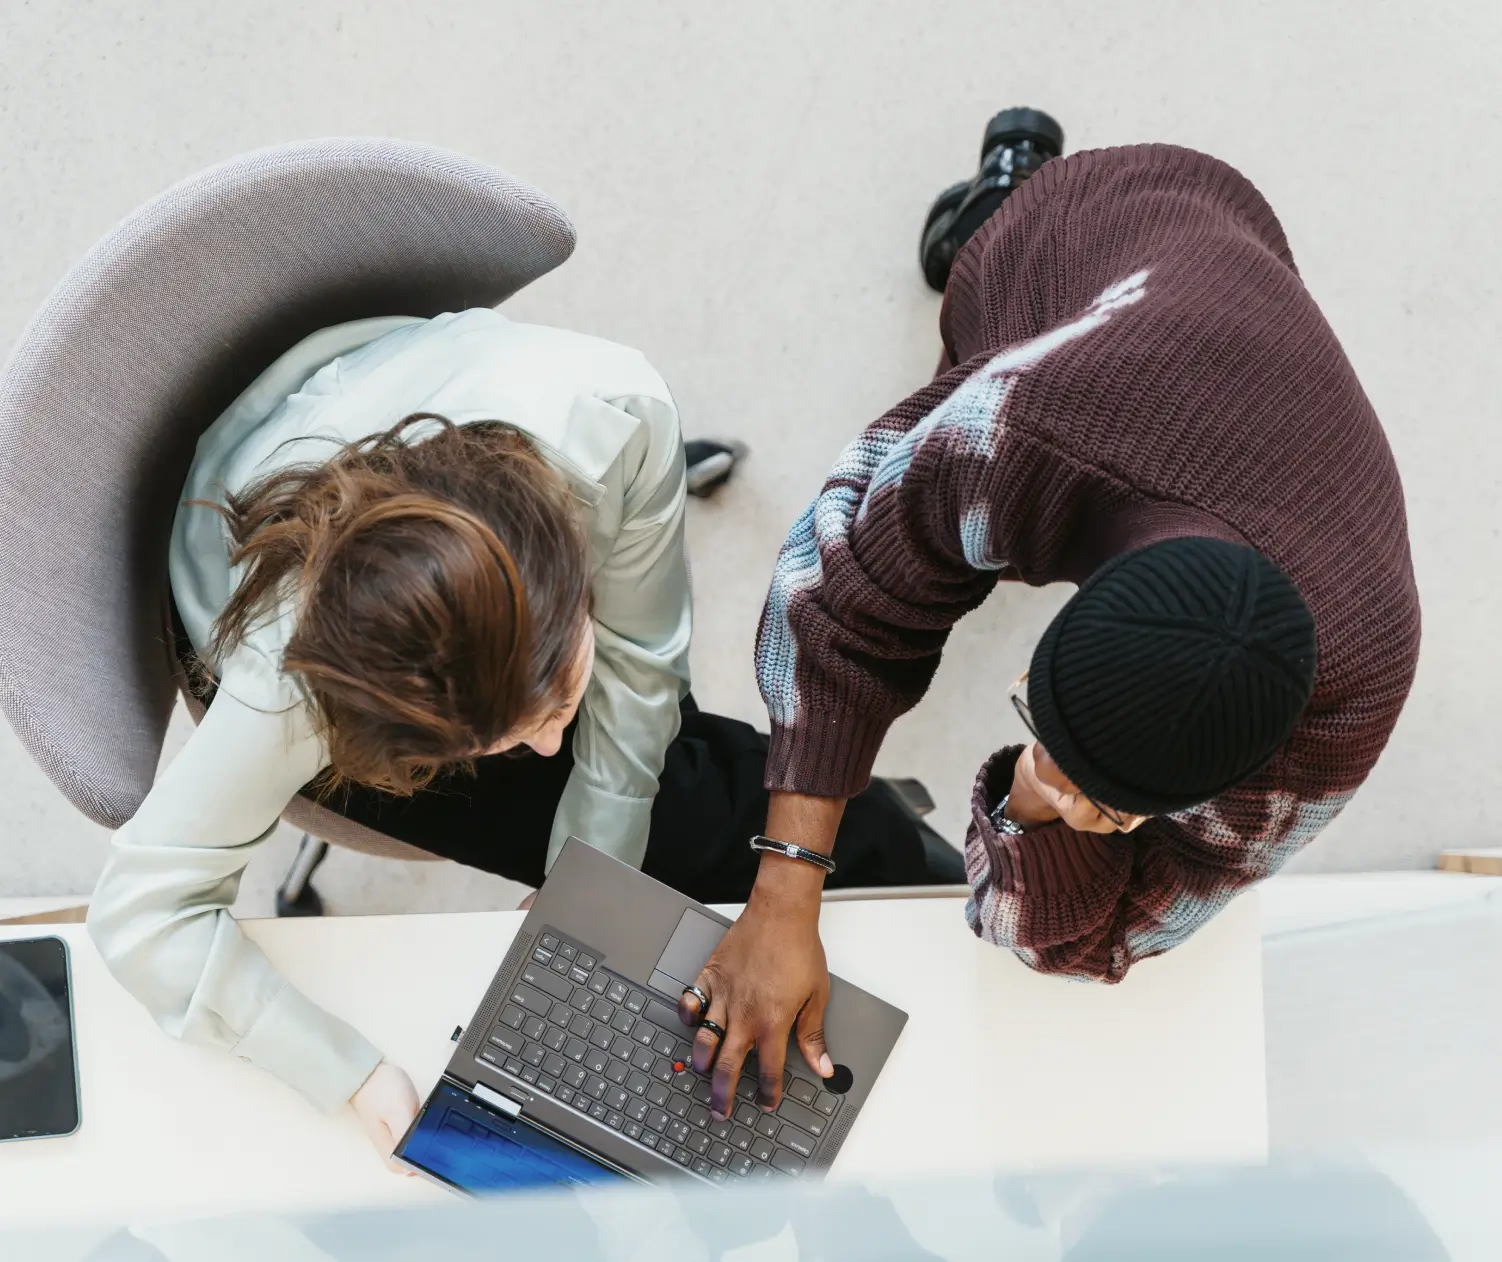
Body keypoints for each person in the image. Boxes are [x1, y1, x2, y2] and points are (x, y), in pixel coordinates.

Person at [85, 308, 960, 1163]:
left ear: (570, 569)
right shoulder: (291, 684)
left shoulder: (616, 415)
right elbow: (139, 913)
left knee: (686, 787)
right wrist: (354, 1074)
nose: (547, 748)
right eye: (500, 742)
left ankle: (925, 877)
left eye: (551, 704)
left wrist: (583, 876)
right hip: (288, 620)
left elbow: (641, 663)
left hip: (421, 445)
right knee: (681, 798)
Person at [680, 110, 1421, 1118]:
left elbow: (1104, 935)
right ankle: (1002, 192)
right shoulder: (1027, 429)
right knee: (977, 291)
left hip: (1228, 330)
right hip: (1124, 224)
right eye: (1041, 728)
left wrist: (1036, 804)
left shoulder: (1334, 727)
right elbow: (833, 589)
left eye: (1106, 806)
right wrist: (782, 888)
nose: (1063, 792)